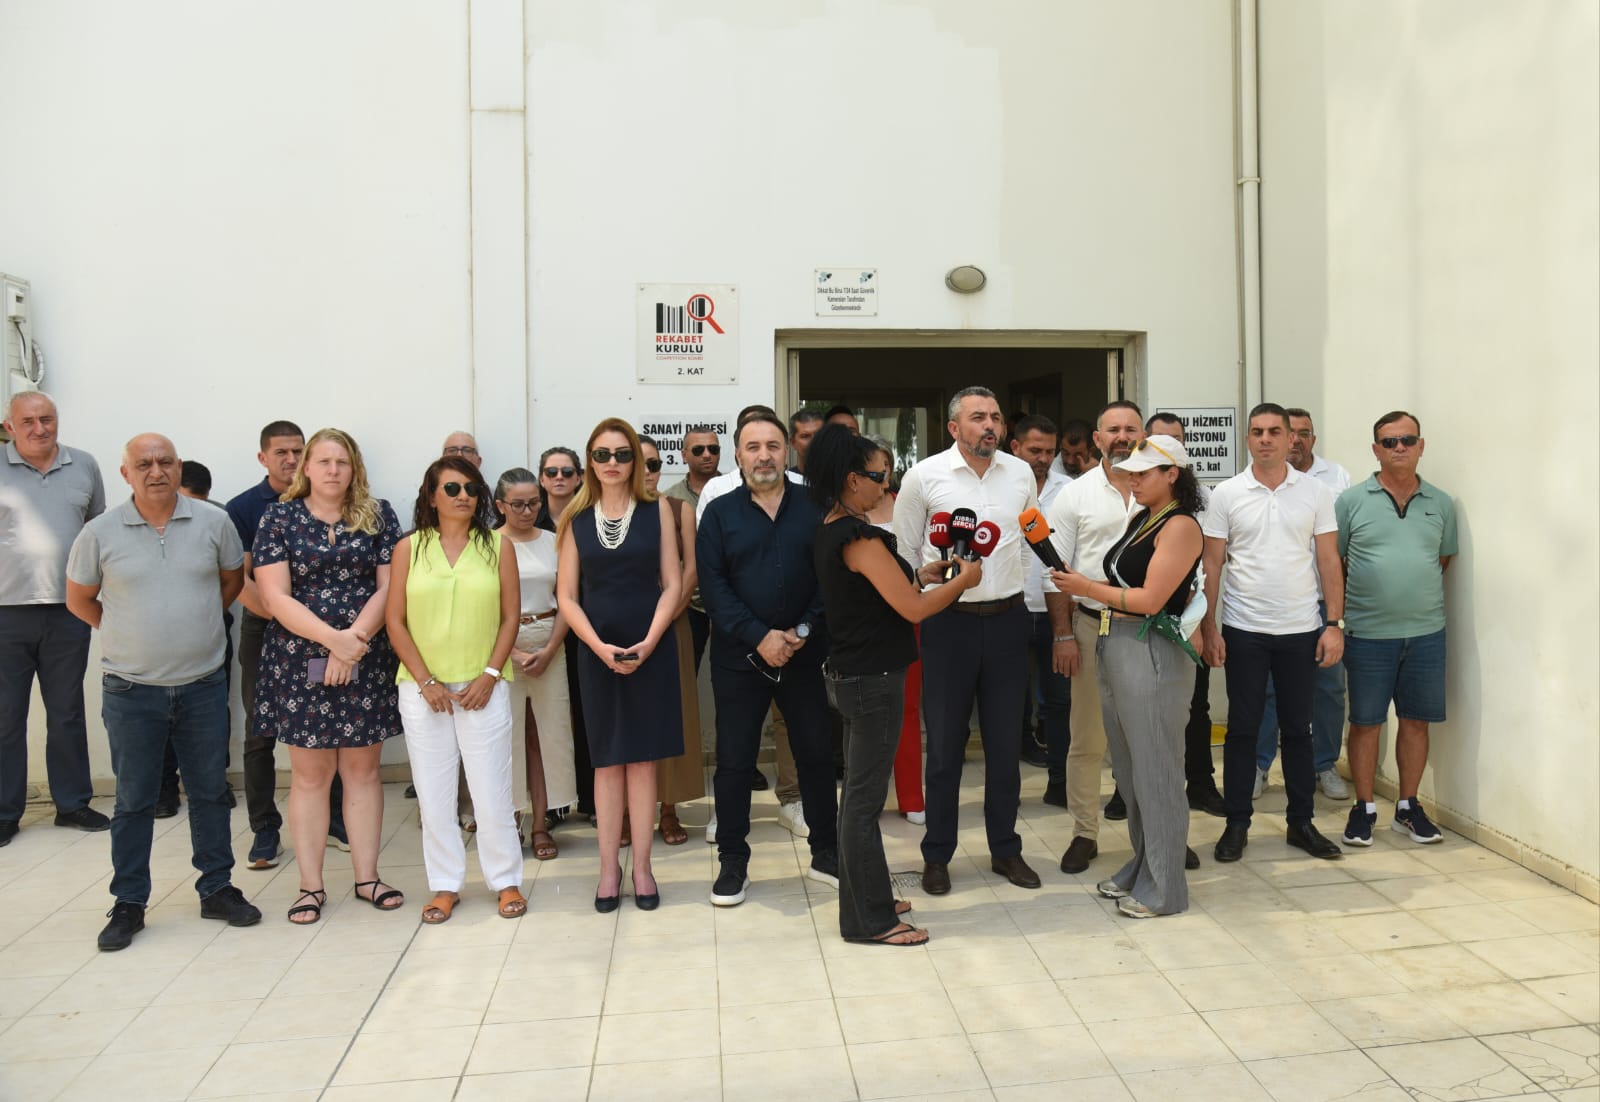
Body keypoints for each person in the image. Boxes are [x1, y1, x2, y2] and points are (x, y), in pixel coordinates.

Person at [65, 433, 258, 950]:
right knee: (133, 801)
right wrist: (126, 632)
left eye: (166, 461)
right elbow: (79, 599)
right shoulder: (99, 532)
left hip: (202, 685)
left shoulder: (214, 522)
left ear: (178, 466)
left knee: (209, 793)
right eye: (144, 463)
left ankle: (217, 888)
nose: (156, 471)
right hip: (132, 690)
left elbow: (230, 583)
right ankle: (129, 901)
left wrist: (194, 627)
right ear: (125, 473)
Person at [809, 425, 980, 944]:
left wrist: (923, 575)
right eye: (879, 476)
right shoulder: (859, 538)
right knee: (863, 805)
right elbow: (913, 610)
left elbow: (879, 595)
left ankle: (870, 899)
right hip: (874, 681)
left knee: (857, 800)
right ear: (851, 479)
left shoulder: (833, 528)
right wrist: (962, 582)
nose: (887, 486)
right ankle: (871, 921)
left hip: (854, 676)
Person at [894, 386, 1043, 895]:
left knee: (1005, 745)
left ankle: (1006, 850)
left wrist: (1016, 591)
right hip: (947, 624)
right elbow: (904, 552)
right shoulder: (924, 476)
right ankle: (937, 855)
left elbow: (1027, 542)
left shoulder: (1020, 473)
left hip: (1007, 621)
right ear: (955, 427)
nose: (990, 426)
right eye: (978, 417)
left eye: (996, 417)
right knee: (944, 748)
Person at [253, 428, 405, 924]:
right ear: (307, 468)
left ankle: (367, 877)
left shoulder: (378, 514)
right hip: (300, 659)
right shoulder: (279, 517)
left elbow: (390, 587)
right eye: (323, 461)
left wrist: (353, 640)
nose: (333, 470)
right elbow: (274, 596)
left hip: (365, 653)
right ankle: (310, 886)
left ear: (354, 467)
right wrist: (332, 641)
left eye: (342, 461)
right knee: (310, 776)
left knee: (363, 772)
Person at [1049, 435, 1205, 917]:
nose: (1132, 480)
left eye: (1143, 473)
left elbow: (1150, 600)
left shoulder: (1181, 526)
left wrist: (1084, 587)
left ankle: (1166, 888)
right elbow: (1126, 583)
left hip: (1151, 648)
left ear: (1172, 475)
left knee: (1157, 771)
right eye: (1130, 473)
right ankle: (1145, 866)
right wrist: (1083, 586)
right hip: (1118, 643)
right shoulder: (1145, 518)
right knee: (1131, 768)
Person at [698, 411, 838, 905]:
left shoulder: (817, 506)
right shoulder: (719, 513)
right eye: (753, 447)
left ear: (788, 451)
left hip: (804, 654)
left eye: (773, 446)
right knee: (735, 762)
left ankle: (826, 852)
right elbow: (713, 587)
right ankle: (733, 862)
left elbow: (830, 577)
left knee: (816, 755)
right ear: (738, 456)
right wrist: (760, 637)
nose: (764, 456)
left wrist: (801, 630)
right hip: (740, 660)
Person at [1200, 403, 1346, 863]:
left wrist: (1334, 625)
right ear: (1248, 439)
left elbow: (1329, 561)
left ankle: (1301, 823)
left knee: (1298, 730)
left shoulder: (1315, 492)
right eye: (1257, 431)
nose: (1265, 439)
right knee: (1242, 730)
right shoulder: (1226, 494)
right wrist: (1209, 626)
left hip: (1301, 629)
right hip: (1244, 629)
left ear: (1290, 439)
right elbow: (1212, 564)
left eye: (1274, 431)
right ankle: (1236, 824)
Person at [388, 455, 525, 923]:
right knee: (434, 794)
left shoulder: (497, 546)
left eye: (471, 488)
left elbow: (511, 617)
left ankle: (505, 880)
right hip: (423, 691)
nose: (463, 496)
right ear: (432, 497)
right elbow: (394, 621)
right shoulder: (409, 549)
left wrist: (490, 674)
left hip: (483, 686)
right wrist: (426, 681)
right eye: (451, 488)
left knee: (492, 791)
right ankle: (445, 884)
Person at [556, 418, 683, 912]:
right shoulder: (575, 518)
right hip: (597, 652)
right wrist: (598, 647)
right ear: (590, 461)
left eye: (622, 454)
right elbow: (567, 596)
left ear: (635, 460)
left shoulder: (657, 511)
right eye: (602, 455)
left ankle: (643, 868)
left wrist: (650, 641)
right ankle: (609, 869)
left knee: (643, 761)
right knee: (607, 762)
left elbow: (672, 583)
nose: (612, 463)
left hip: (651, 647)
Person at [1338, 411, 1458, 847]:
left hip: (1426, 634)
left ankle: (1408, 807)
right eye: (1389, 442)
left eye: (1408, 440)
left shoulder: (1441, 503)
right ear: (1376, 450)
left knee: (1416, 722)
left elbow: (1441, 560)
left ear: (1421, 445)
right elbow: (1336, 562)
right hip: (1368, 635)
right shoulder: (1351, 501)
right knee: (1365, 723)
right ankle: (1364, 809)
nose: (1399, 448)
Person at [226, 420, 339, 870]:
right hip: (267, 629)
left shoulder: (329, 500)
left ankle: (334, 821)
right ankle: (265, 829)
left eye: (297, 451)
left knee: (331, 724)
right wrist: (284, 615)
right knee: (261, 727)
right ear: (263, 457)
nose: (290, 459)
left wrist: (312, 626)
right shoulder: (245, 508)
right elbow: (240, 577)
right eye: (281, 452)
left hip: (324, 633)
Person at [0, 391, 109, 847]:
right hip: (6, 611)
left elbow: (97, 530)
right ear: (9, 427)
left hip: (68, 610)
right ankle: (5, 812)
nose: (39, 428)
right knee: (6, 715)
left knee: (66, 711)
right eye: (28, 421)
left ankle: (72, 804)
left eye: (46, 419)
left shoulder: (83, 465)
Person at [1044, 401, 1145, 875]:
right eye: (1113, 429)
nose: (1122, 436)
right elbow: (1054, 572)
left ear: (1142, 434)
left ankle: (1156, 833)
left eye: (1130, 428)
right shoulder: (1074, 496)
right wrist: (1063, 634)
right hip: (1091, 627)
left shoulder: (1163, 487)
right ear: (1098, 439)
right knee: (1086, 740)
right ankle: (1085, 833)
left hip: (1150, 630)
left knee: (1149, 739)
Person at [1255, 407, 1354, 801]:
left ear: (1314, 438)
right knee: (1267, 691)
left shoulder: (1336, 478)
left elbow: (1340, 549)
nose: (1296, 440)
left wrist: (1336, 616)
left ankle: (1324, 764)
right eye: (1290, 432)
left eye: (1304, 433)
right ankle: (1260, 765)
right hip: (1274, 607)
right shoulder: (1254, 481)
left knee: (1329, 689)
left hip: (1322, 604)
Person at [494, 467, 576, 860]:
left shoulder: (554, 541)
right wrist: (510, 653)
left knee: (546, 736)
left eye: (533, 504)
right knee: (505, 737)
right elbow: (483, 607)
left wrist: (550, 648)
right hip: (501, 646)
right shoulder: (488, 544)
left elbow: (568, 598)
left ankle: (542, 823)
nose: (527, 511)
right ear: (500, 505)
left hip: (550, 641)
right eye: (518, 505)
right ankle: (510, 822)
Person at [638, 435, 705, 845]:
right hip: (621, 630)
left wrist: (661, 622)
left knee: (671, 715)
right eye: (640, 463)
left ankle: (668, 808)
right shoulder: (604, 514)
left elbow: (692, 570)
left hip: (672, 624)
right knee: (629, 717)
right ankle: (628, 811)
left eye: (655, 464)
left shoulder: (680, 509)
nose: (648, 471)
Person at [1010, 414, 1072, 792]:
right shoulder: (1001, 489)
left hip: (1058, 612)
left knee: (1059, 701)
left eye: (1050, 452)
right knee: (1010, 701)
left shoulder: (1070, 491)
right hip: (1011, 609)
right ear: (1015, 447)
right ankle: (1010, 787)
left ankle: (1060, 783)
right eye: (1035, 450)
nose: (1043, 459)